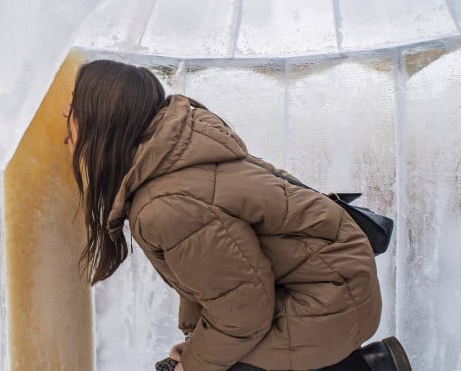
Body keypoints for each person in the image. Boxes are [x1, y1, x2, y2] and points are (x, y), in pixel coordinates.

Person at [62, 59, 412, 371]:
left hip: (330, 299)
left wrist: (196, 362)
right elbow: (214, 280)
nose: (65, 114)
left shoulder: (166, 203)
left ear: (102, 118)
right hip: (329, 280)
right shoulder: (170, 161)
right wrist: (197, 341)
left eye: (74, 104)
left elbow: (242, 313)